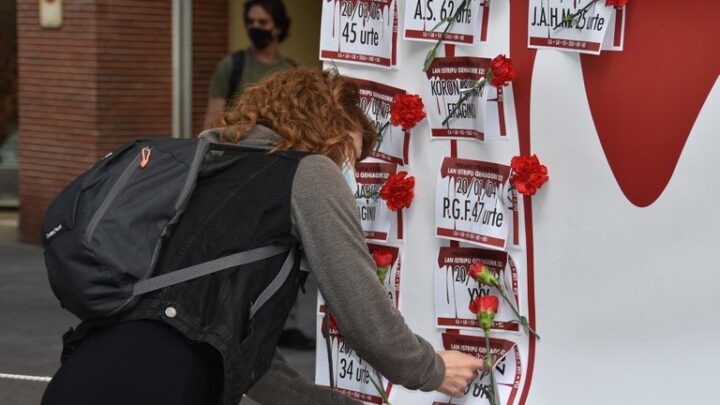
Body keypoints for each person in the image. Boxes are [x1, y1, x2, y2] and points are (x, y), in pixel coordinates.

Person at [41, 68, 485, 405]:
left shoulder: (208, 170)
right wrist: (429, 369)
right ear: (327, 131)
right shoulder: (309, 173)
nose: (348, 170)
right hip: (161, 386)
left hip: (82, 379)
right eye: (349, 153)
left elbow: (248, 362)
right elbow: (360, 308)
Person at [204, 0, 296, 129]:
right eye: (251, 22)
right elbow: (212, 122)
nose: (255, 26)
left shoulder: (291, 71)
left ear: (278, 28)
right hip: (236, 145)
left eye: (263, 22)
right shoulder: (232, 65)